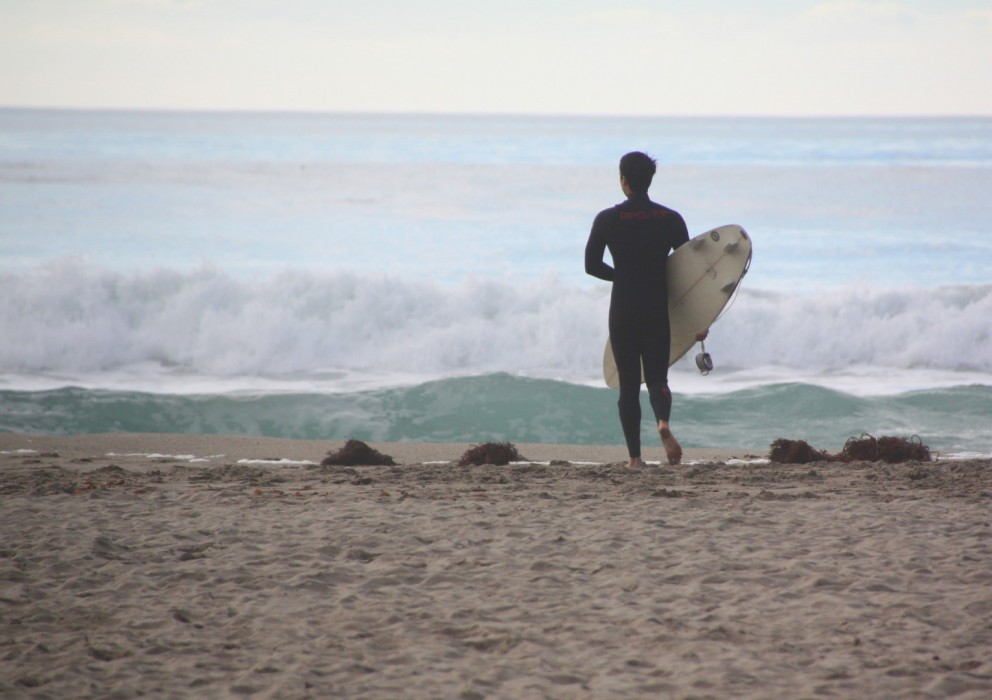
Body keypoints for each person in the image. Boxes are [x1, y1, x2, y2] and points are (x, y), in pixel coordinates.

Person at [584, 151, 703, 467]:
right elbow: (687, 273)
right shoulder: (671, 219)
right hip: (655, 307)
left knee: (628, 385)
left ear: (623, 180)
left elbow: (591, 266)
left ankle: (635, 459)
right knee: (657, 379)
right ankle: (662, 422)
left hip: (623, 307)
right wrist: (700, 317)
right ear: (649, 180)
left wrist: (621, 275)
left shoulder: (607, 219)